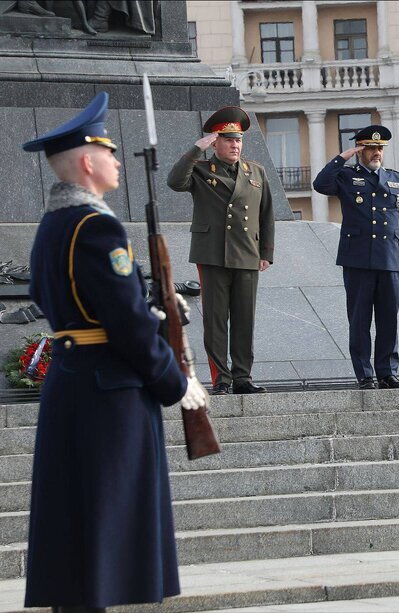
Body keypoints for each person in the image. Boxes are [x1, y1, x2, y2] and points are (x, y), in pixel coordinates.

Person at [22, 92, 205, 611]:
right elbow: (122, 324)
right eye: (109, 151)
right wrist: (175, 381)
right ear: (87, 161)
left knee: (77, 532)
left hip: (72, 383)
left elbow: (72, 304)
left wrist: (152, 314)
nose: (118, 161)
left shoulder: (53, 225)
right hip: (111, 392)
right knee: (105, 529)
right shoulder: (99, 227)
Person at [168, 106, 275, 395]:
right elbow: (175, 181)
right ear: (215, 143)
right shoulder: (201, 170)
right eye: (228, 140)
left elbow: (266, 214)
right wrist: (194, 150)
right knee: (216, 321)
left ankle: (242, 377)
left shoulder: (256, 172)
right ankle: (221, 379)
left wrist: (266, 252)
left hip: (247, 254)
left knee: (244, 319)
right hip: (212, 254)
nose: (234, 145)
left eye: (238, 140)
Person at [313, 125, 399, 390]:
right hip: (358, 259)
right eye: (370, 148)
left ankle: (387, 372)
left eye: (380, 148)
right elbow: (320, 184)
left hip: (390, 259)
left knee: (388, 319)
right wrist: (342, 157)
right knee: (360, 321)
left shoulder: (397, 179)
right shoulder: (347, 176)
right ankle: (365, 374)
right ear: (361, 150)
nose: (376, 153)